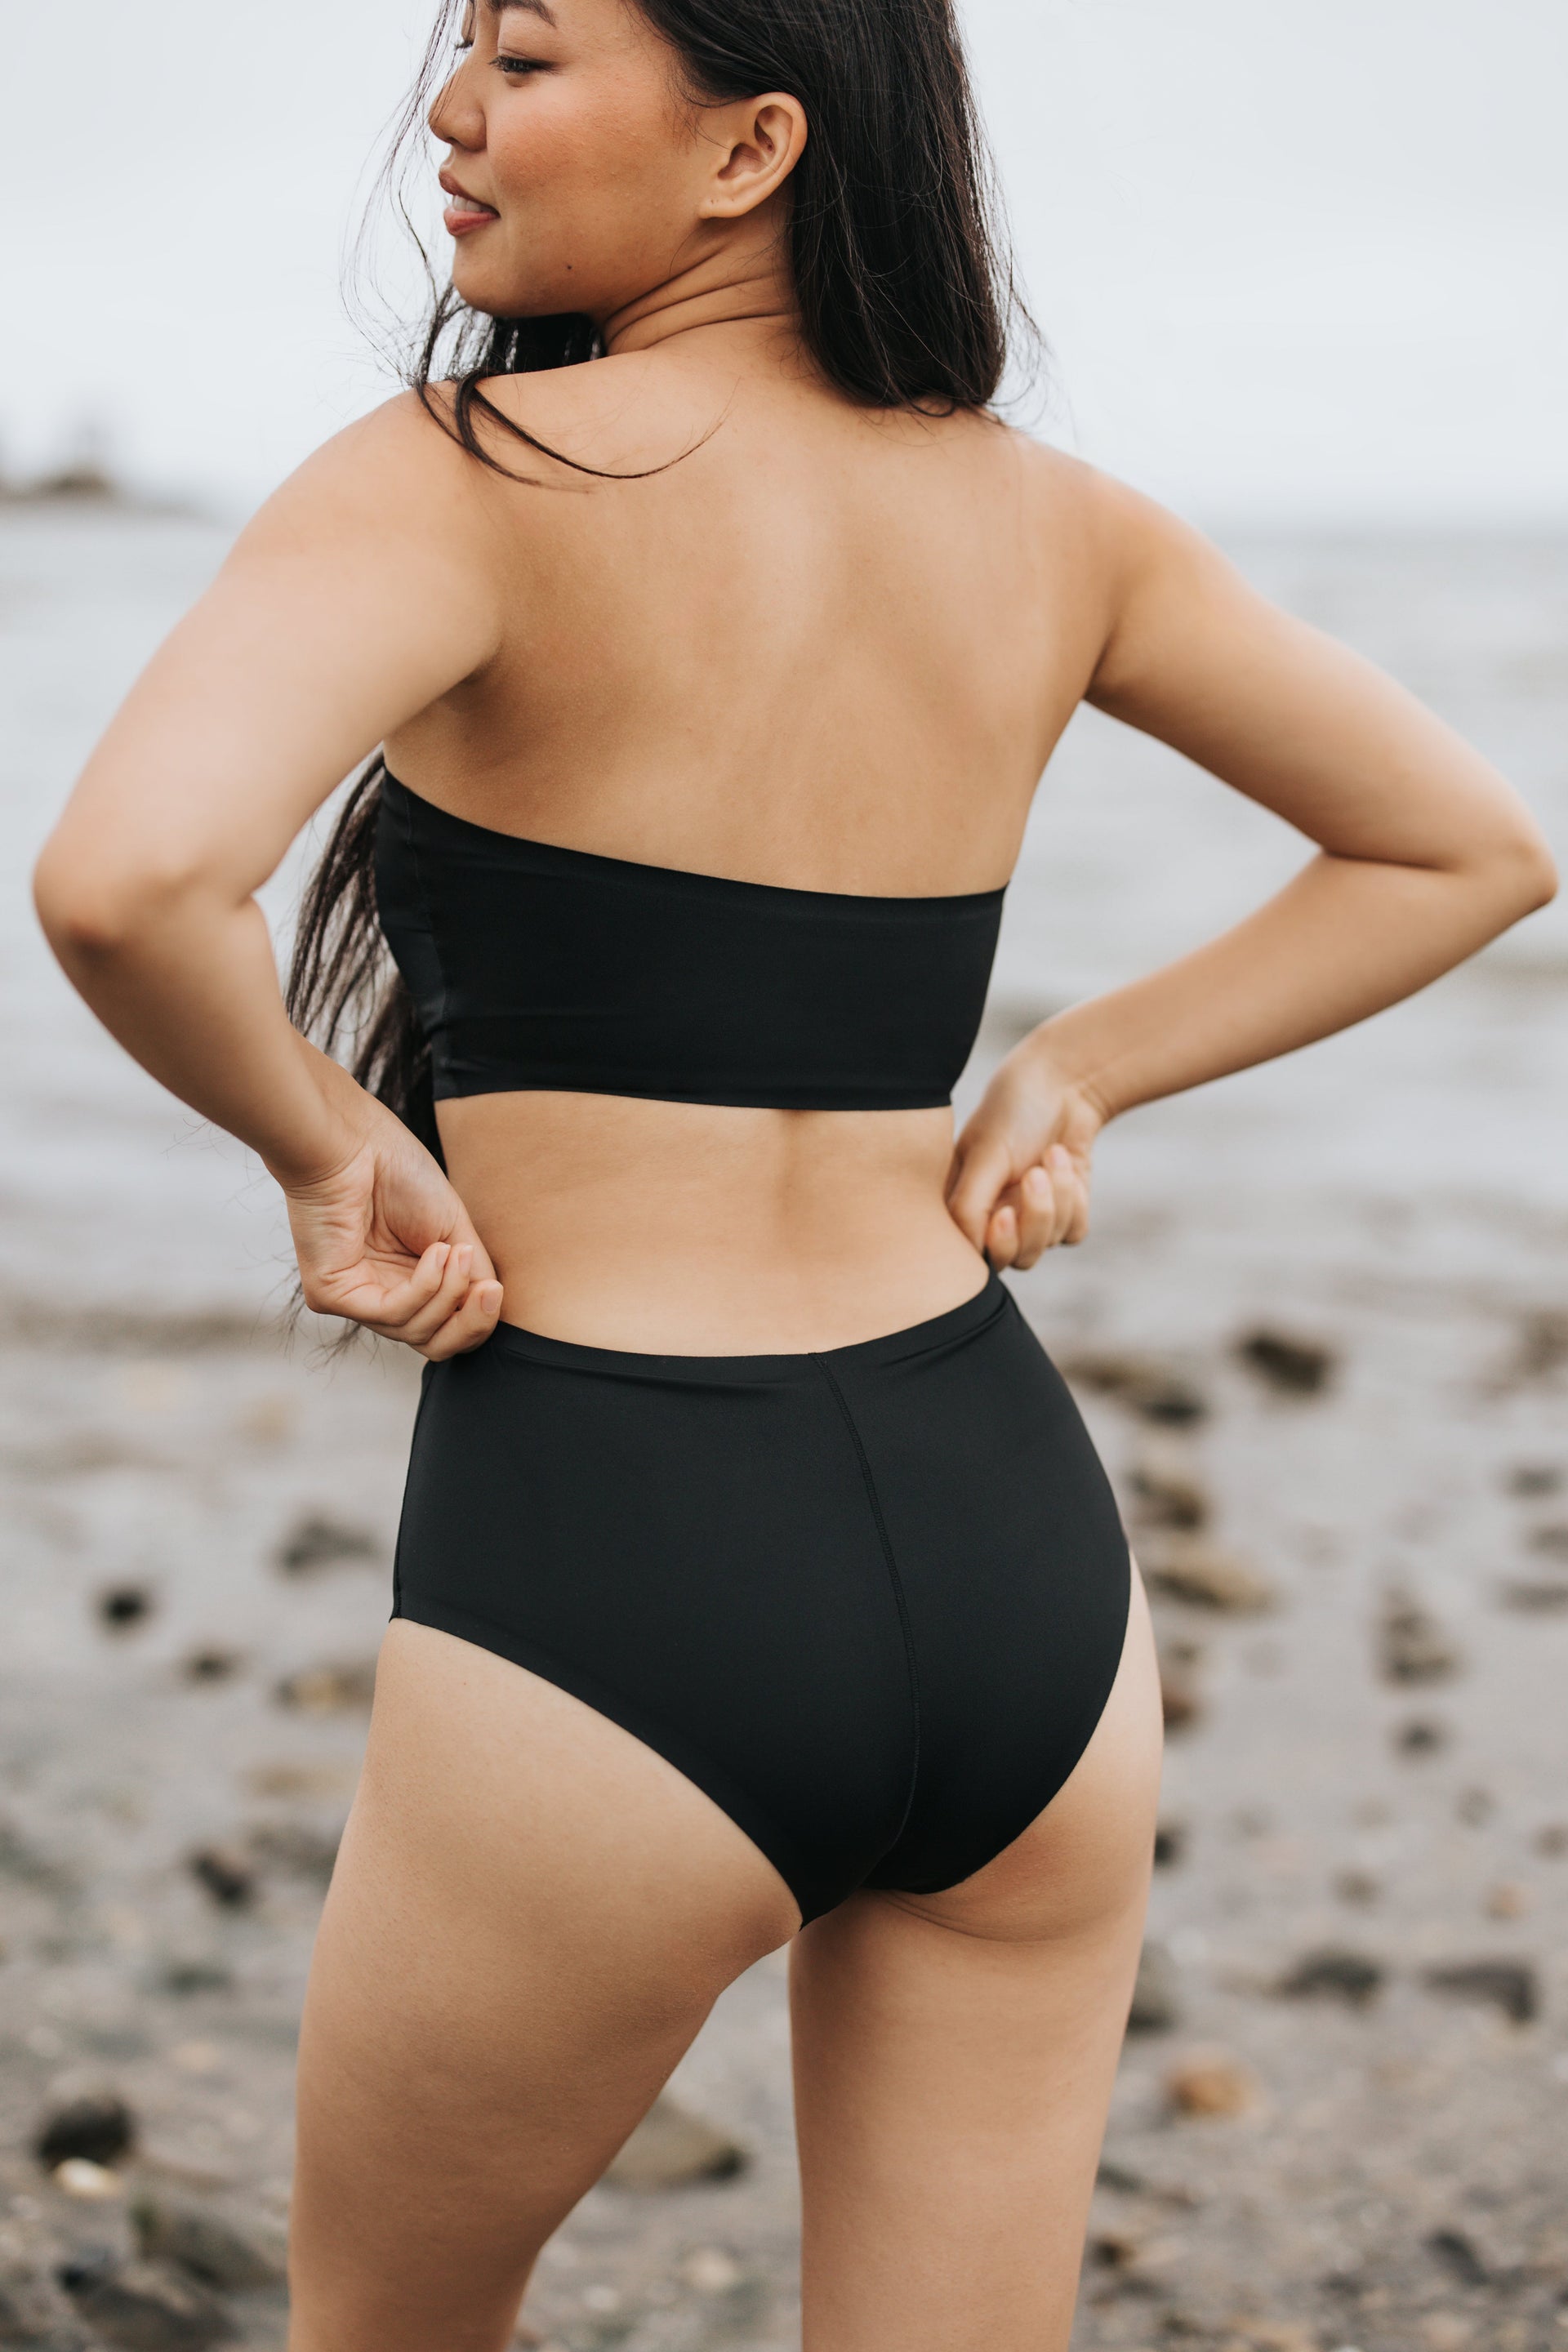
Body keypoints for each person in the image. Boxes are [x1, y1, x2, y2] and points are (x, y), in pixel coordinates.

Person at [33, 0, 1555, 2344]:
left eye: (526, 55)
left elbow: (128, 884)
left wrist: (324, 1149)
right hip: (1016, 1558)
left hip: (614, 1564)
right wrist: (1088, 1068)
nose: (450, 108)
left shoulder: (466, 474)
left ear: (750, 145)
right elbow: (1464, 843)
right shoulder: (1061, 524)